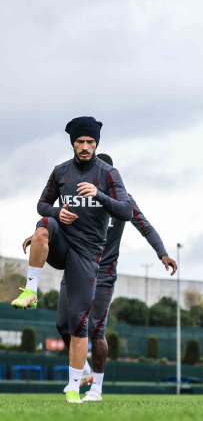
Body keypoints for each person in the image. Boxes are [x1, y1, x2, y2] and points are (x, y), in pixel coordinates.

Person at [23, 152, 179, 402]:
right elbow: (59, 221)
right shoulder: (76, 196)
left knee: (95, 330)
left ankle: (96, 388)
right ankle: (82, 370)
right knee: (63, 324)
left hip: (103, 273)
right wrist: (38, 236)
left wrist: (163, 254)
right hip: (76, 266)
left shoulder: (123, 202)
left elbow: (145, 227)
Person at [13, 117, 132, 403]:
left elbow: (126, 211)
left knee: (79, 324)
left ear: (97, 144)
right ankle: (31, 290)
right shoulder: (60, 172)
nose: (85, 147)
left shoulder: (108, 174)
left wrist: (99, 195)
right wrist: (56, 214)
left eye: (90, 142)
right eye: (80, 142)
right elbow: (42, 204)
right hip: (63, 242)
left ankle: (73, 387)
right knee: (42, 224)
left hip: (88, 254)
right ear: (72, 143)